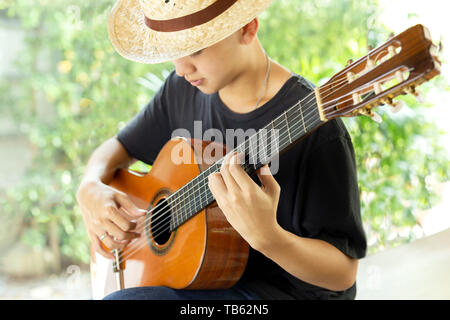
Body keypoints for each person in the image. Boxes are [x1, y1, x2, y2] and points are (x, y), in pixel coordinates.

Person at [76, 0, 367, 300]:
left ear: (247, 28)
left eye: (195, 49)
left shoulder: (318, 129)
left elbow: (343, 274)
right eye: (173, 52)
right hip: (208, 284)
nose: (180, 68)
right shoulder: (182, 90)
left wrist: (270, 239)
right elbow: (118, 147)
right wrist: (89, 186)